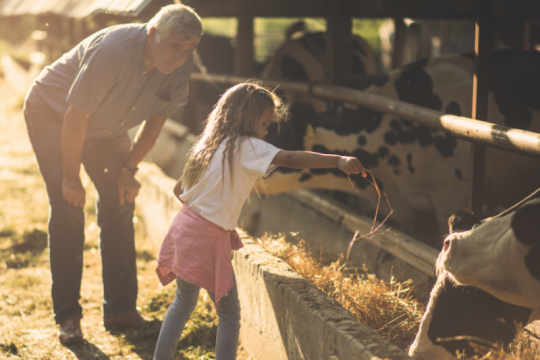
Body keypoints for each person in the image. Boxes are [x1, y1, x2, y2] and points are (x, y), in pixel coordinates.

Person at [23, 4, 203, 345]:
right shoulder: (114, 51)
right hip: (54, 114)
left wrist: (128, 170)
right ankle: (69, 317)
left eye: (187, 50)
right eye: (174, 46)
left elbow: (156, 123)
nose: (179, 57)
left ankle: (120, 309)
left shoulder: (180, 64)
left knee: (121, 201)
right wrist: (71, 178)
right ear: (152, 34)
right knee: (68, 208)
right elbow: (75, 119)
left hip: (106, 126)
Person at [153, 82, 367, 360]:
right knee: (230, 313)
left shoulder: (208, 143)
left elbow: (178, 190)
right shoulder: (248, 147)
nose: (266, 131)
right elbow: (290, 158)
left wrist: (206, 205)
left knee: (182, 303)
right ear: (244, 116)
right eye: (264, 123)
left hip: (184, 226)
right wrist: (337, 160)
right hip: (207, 234)